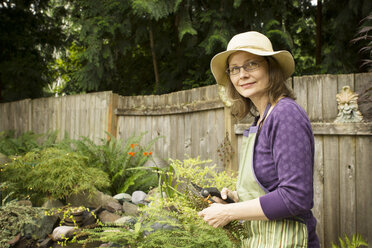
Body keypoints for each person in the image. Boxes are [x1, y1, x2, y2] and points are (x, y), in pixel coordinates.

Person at [197, 31, 320, 247]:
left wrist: (229, 212)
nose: (241, 75)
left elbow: (295, 196)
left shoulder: (286, 115)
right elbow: (269, 188)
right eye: (234, 69)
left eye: (251, 64)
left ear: (271, 68)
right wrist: (235, 198)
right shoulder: (261, 119)